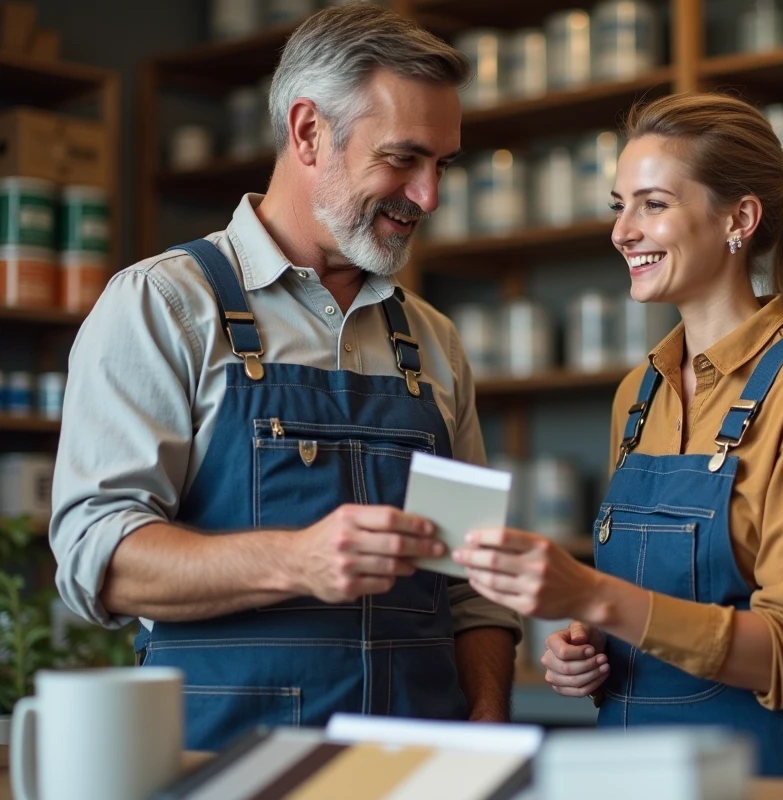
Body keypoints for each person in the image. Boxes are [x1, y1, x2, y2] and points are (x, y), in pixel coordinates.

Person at [49, 5, 521, 751]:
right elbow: (97, 558)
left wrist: (489, 710)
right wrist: (296, 560)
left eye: (443, 166)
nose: (428, 196)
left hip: (418, 771)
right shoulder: (164, 305)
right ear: (307, 133)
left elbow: (470, 579)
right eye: (403, 158)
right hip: (222, 767)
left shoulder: (432, 340)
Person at [452, 92, 783, 776]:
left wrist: (596, 595)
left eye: (652, 204)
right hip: (623, 766)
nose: (623, 231)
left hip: (750, 774)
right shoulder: (638, 393)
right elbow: (642, 608)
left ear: (739, 218)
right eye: (618, 205)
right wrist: (587, 646)